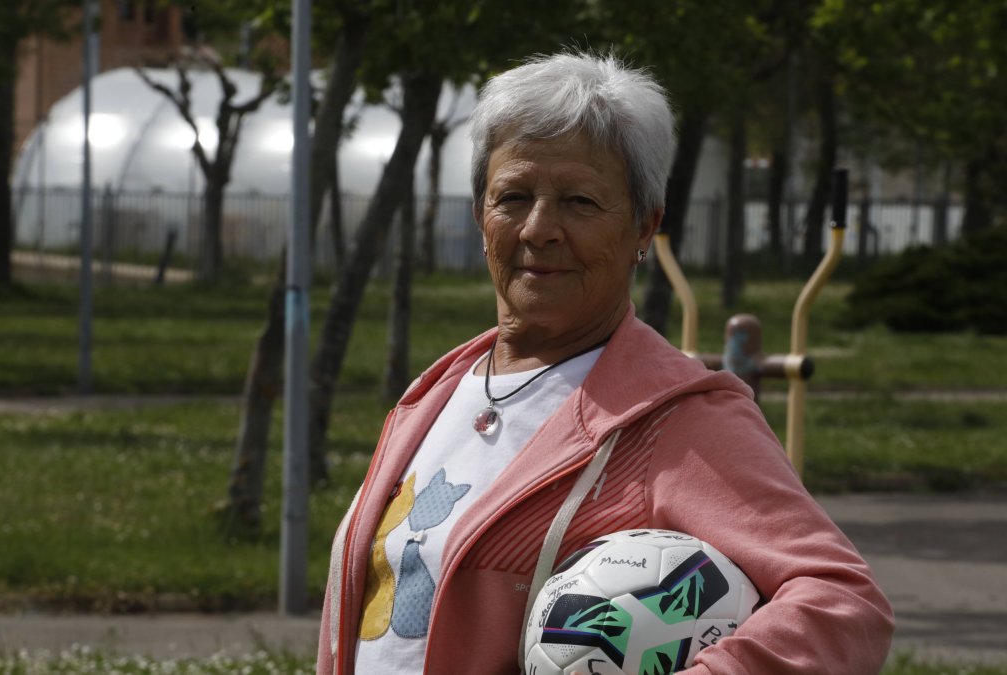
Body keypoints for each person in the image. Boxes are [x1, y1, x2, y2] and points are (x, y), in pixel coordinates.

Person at [316, 51, 893, 675]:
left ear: (645, 227)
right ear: (481, 214)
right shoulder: (437, 392)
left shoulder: (677, 420)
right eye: (513, 196)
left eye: (580, 202)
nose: (539, 229)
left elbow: (844, 603)